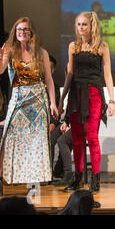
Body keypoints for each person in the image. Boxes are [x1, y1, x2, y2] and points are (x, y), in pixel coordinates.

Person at [0, 17, 58, 196]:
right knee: (8, 137)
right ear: (15, 32)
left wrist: (53, 103)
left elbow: (48, 80)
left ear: (31, 32)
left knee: (36, 142)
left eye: (25, 29)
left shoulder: (41, 53)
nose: (22, 32)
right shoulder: (11, 51)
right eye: (19, 29)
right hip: (19, 100)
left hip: (38, 101)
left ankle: (33, 184)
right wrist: (0, 56)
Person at [58, 11, 115, 193]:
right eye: (79, 24)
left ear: (92, 26)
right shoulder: (73, 46)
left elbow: (107, 75)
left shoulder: (102, 47)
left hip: (93, 94)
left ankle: (95, 180)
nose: (81, 27)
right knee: (76, 139)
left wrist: (112, 100)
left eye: (84, 24)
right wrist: (61, 99)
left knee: (91, 137)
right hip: (75, 94)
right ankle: (77, 179)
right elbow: (70, 75)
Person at [48, 57, 73, 186]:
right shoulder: (36, 86)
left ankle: (57, 171)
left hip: (59, 122)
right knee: (58, 139)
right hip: (40, 123)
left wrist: (54, 122)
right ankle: (53, 171)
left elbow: (57, 110)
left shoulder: (56, 87)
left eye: (52, 67)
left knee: (55, 138)